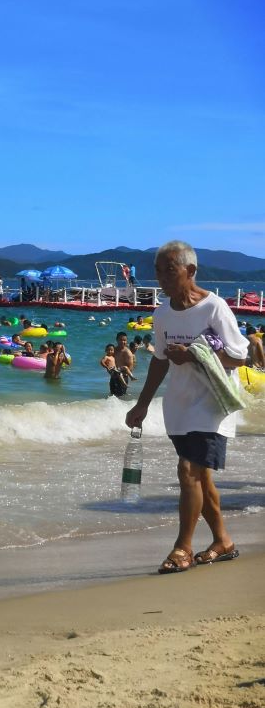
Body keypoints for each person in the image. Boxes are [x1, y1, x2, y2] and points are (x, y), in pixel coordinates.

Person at [126, 241, 248, 574]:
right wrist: (141, 404)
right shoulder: (162, 313)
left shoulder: (214, 308)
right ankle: (223, 541)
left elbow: (239, 357)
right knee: (200, 479)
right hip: (179, 404)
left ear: (190, 270)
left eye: (170, 270)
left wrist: (194, 354)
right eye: (158, 271)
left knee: (188, 470)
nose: (162, 278)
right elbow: (159, 360)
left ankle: (183, 548)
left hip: (213, 403)